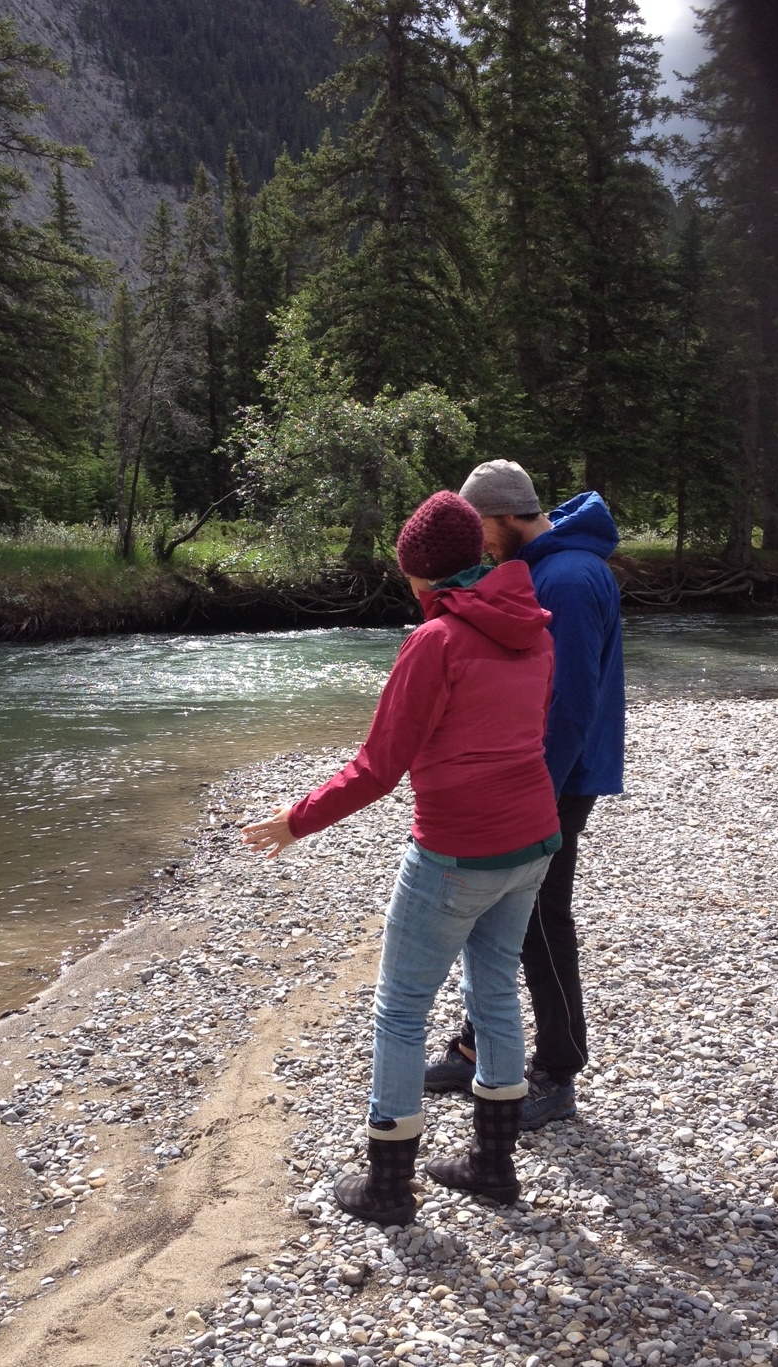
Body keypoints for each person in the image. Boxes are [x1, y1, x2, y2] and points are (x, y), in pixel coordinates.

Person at [243, 491, 562, 1226]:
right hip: (531, 840)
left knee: (399, 1008)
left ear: (417, 575)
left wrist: (295, 821)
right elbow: (531, 732)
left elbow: (378, 767)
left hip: (456, 851)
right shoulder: (535, 628)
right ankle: (492, 1165)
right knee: (494, 994)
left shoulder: (435, 642)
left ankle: (388, 1185)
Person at [424, 460, 625, 1130]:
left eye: (479, 527)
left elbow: (567, 706)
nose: (476, 544)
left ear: (507, 515)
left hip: (555, 778)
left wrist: (530, 791)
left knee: (540, 919)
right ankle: (475, 1045)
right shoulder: (549, 564)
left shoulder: (567, 578)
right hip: (537, 773)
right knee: (496, 913)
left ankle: (558, 1069)